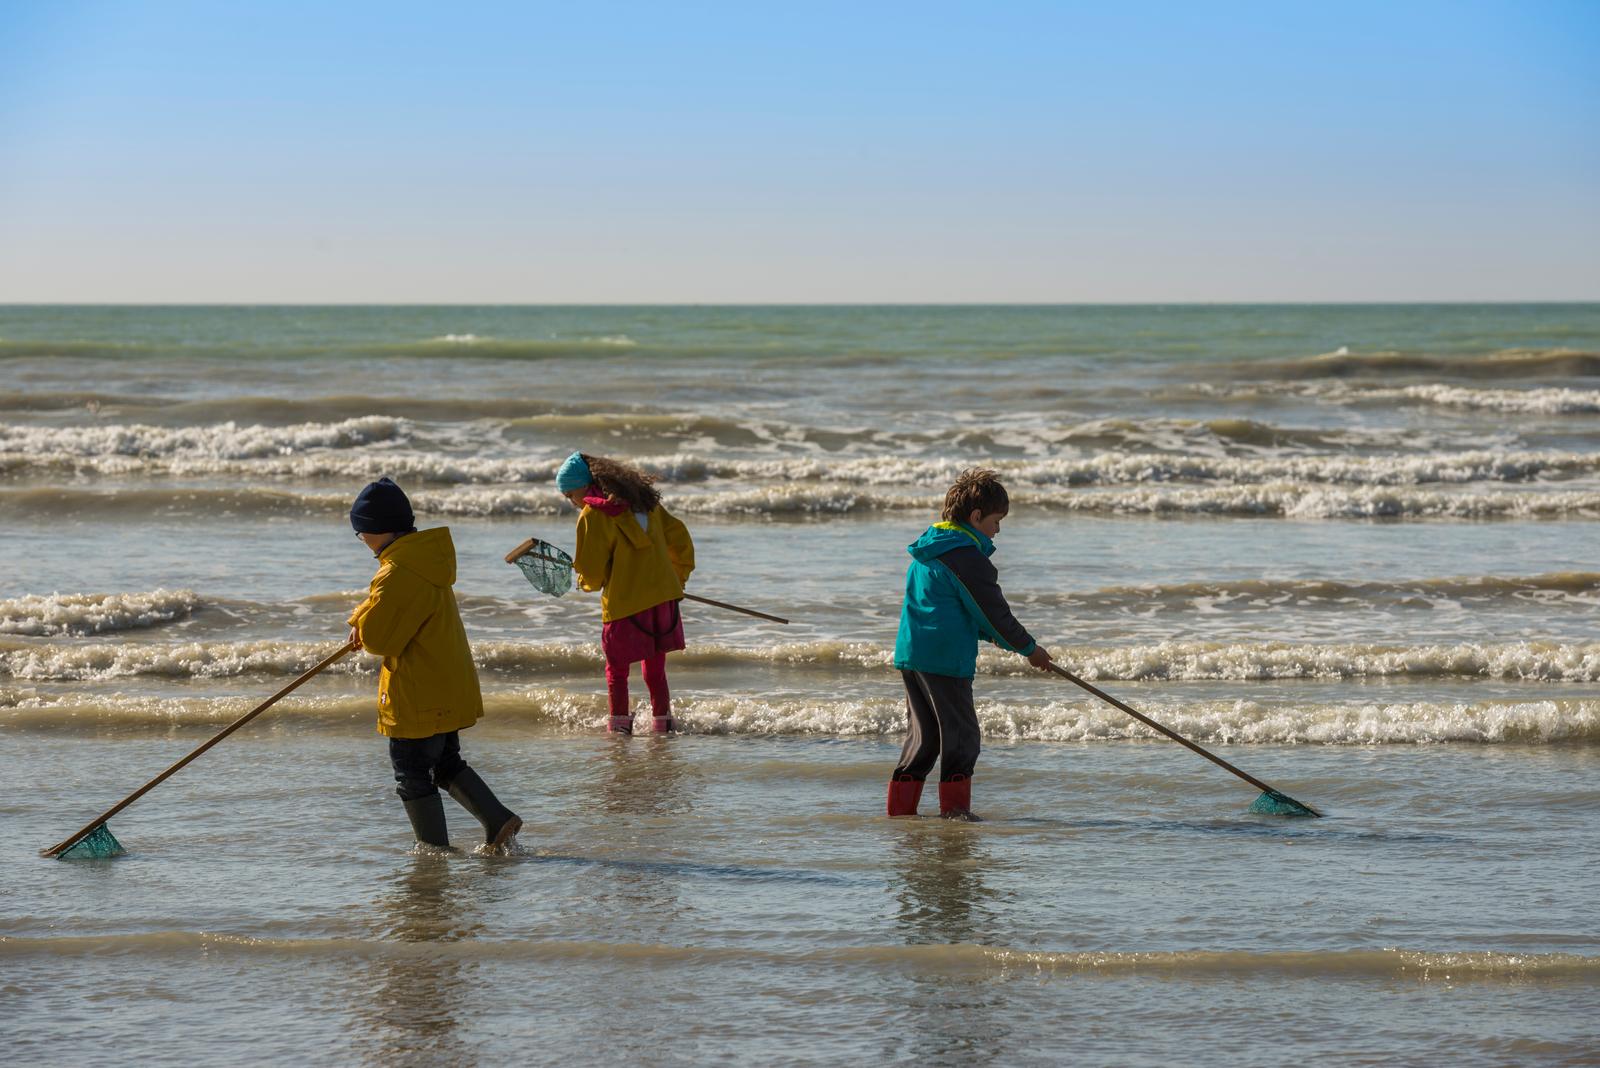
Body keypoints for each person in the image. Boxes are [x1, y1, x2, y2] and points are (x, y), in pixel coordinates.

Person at [347, 476, 522, 851]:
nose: (361, 540)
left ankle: (434, 853)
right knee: (444, 761)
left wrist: (363, 624)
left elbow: (380, 640)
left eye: (361, 532)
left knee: (411, 772)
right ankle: (496, 819)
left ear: (378, 529)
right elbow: (390, 613)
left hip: (417, 691)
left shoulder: (397, 572)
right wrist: (363, 617)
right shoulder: (424, 559)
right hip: (443, 682)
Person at [888, 468, 1052, 821]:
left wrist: (989, 635)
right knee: (962, 734)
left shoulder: (929, 550)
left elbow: (952, 609)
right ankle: (956, 813)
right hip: (945, 660)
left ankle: (901, 814)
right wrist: (1029, 649)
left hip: (912, 654)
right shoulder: (968, 558)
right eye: (996, 520)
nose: (998, 530)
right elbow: (996, 615)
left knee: (925, 737)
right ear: (976, 517)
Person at [556, 452, 695, 735]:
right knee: (655, 671)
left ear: (585, 486)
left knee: (616, 672)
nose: (571, 501)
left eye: (570, 494)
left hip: (625, 605)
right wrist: (676, 579)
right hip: (663, 602)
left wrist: (585, 581)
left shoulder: (593, 514)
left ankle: (619, 733)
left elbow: (592, 574)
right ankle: (662, 727)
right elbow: (680, 540)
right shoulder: (647, 504)